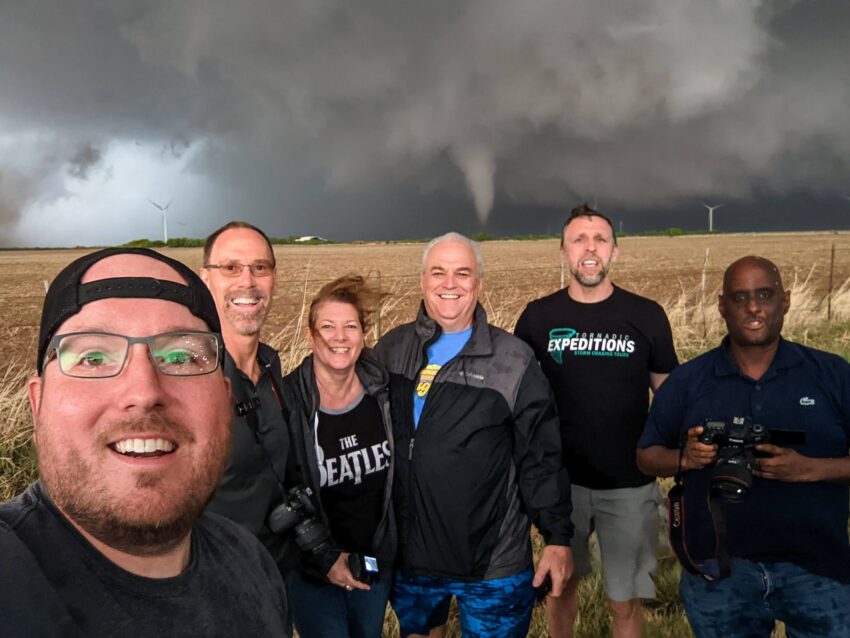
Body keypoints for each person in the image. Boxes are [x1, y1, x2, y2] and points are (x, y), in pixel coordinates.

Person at [0, 247, 289, 637]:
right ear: (38, 403)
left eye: (183, 357)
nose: (143, 391)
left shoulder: (253, 563)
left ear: (225, 399)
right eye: (94, 357)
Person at [637, 256, 850, 637]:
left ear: (784, 301)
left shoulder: (832, 374)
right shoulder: (689, 381)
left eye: (764, 295)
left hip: (819, 567)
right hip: (718, 571)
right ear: (722, 306)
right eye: (740, 298)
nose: (753, 307)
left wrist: (809, 470)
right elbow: (646, 456)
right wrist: (686, 459)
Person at [374, 232, 573, 638]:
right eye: (439, 272)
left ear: (479, 284)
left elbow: (542, 456)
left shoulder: (513, 359)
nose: (450, 284)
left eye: (462, 273)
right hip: (412, 560)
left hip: (491, 566)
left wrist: (556, 536)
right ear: (423, 281)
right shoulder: (391, 349)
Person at [514, 203, 677, 638]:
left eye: (600, 239)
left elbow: (672, 400)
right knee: (560, 589)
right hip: (559, 488)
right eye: (579, 240)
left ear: (615, 252)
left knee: (624, 601)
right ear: (563, 252)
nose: (590, 249)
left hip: (630, 484)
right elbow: (516, 401)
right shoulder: (537, 318)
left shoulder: (646, 316)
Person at [279, 274, 396, 638]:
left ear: (364, 335)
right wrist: (325, 557)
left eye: (350, 326)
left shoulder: (385, 394)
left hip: (373, 564)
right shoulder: (287, 403)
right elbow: (277, 488)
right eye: (327, 326)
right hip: (312, 570)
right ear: (310, 335)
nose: (340, 337)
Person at [201, 222, 292, 577]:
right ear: (205, 279)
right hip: (211, 584)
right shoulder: (184, 375)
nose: (247, 281)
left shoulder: (272, 364)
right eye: (230, 268)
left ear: (274, 278)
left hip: (273, 577)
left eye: (260, 267)